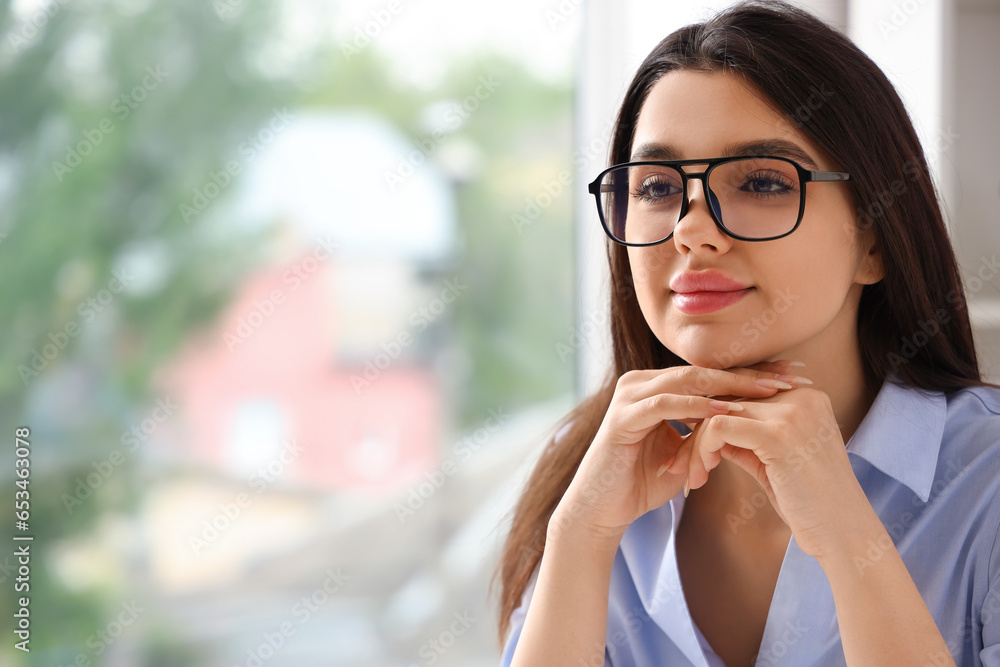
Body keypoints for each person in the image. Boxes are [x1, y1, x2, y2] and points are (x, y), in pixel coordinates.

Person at [491, 2, 1000, 666]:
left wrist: (848, 535)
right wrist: (581, 534)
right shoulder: (589, 469)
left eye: (761, 181)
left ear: (874, 237)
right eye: (654, 187)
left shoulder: (984, 481)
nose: (690, 230)